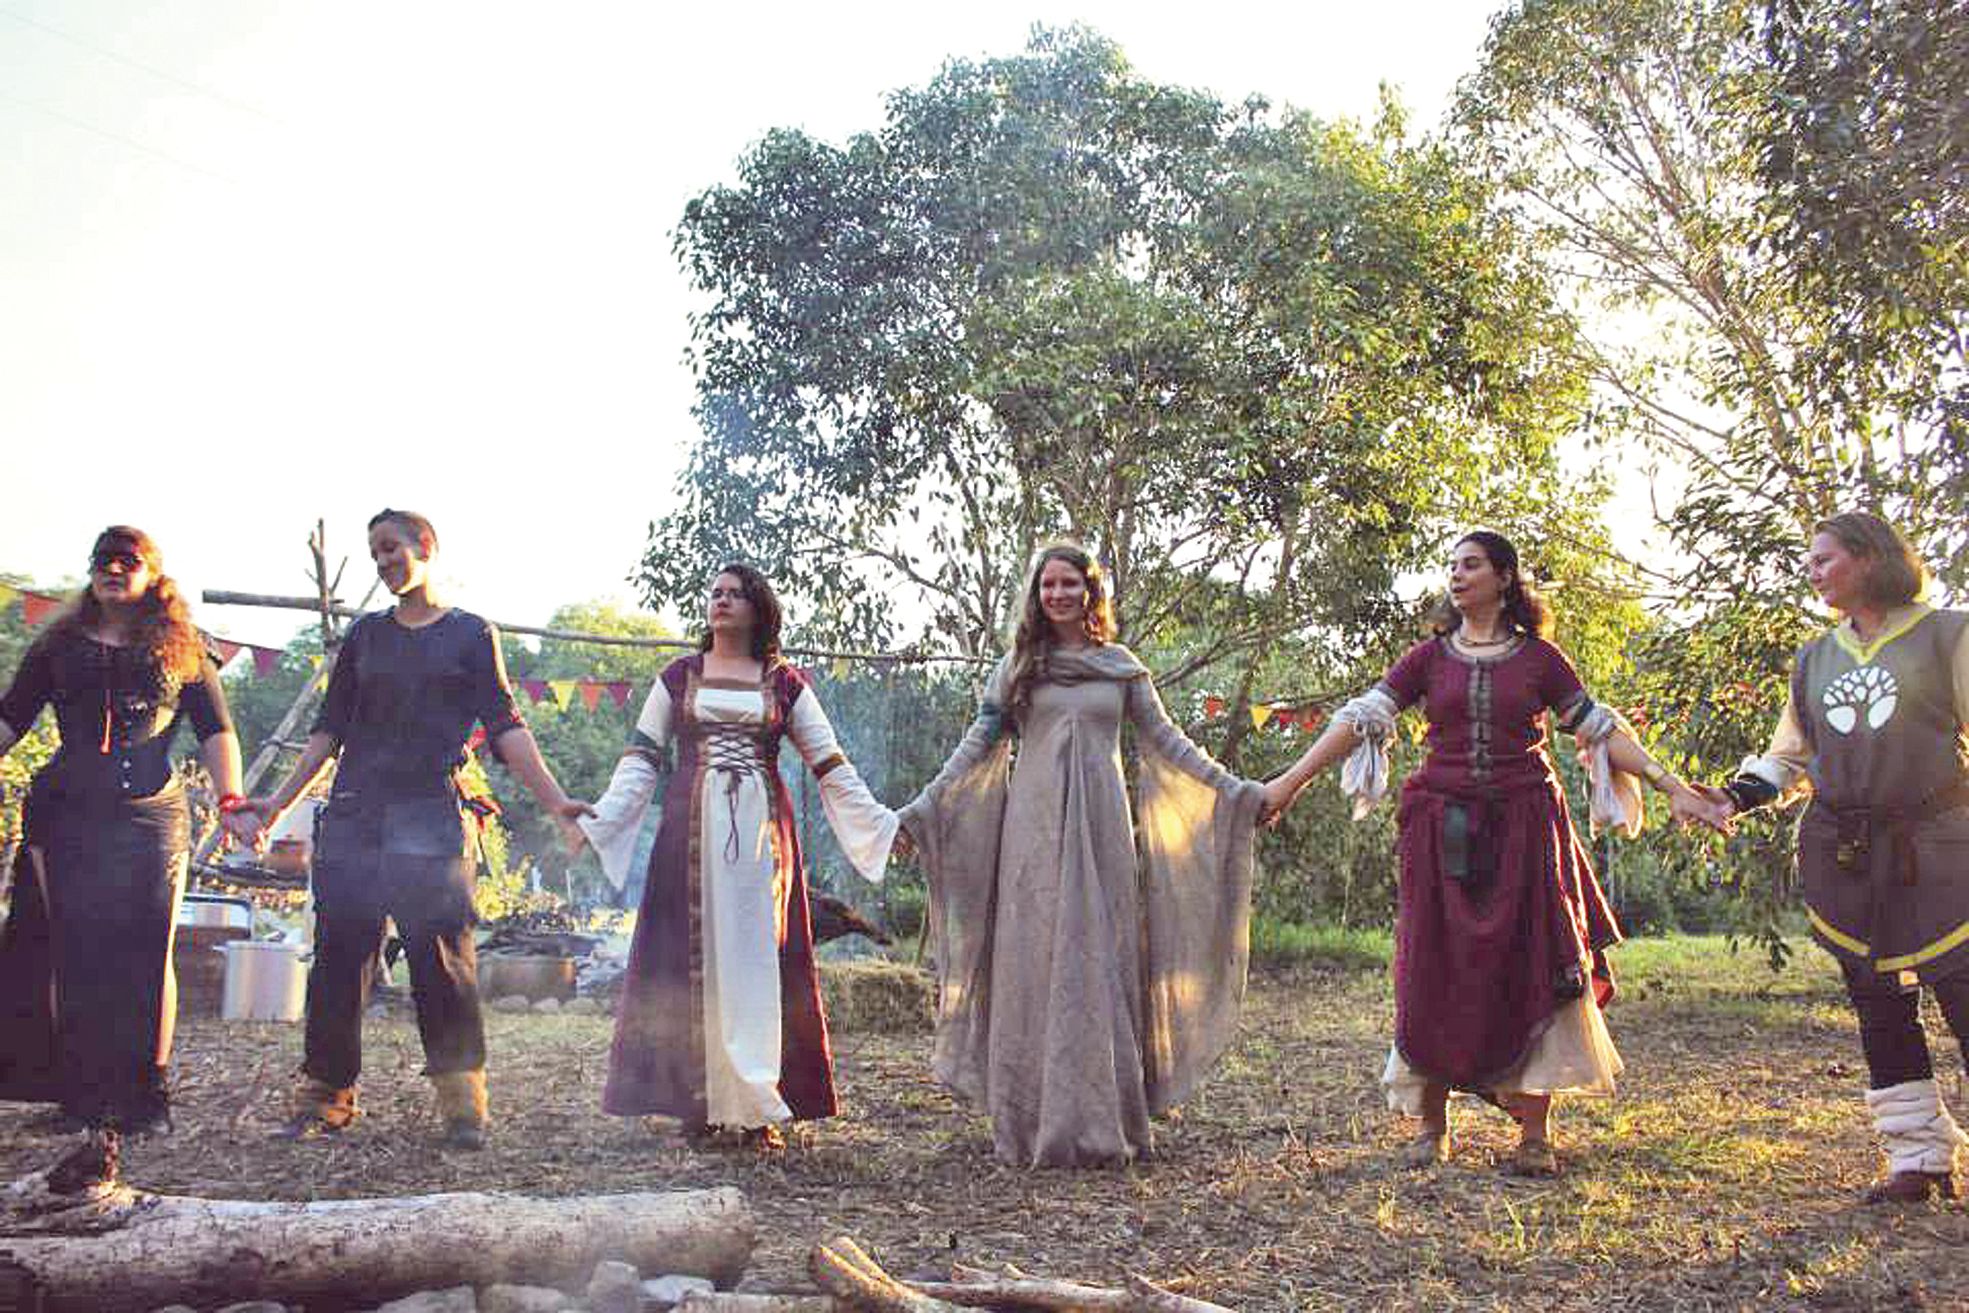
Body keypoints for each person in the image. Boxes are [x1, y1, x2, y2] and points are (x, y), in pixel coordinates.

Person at [1266, 530, 1709, 1175]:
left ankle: (1535, 1136)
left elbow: (1600, 731)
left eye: (1471, 564)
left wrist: (1672, 787)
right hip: (1438, 831)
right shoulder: (1427, 658)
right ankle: (1431, 1129)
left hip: (1525, 830)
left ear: (1505, 578)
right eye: (1451, 565)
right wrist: (1285, 786)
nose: (1456, 575)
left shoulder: (1541, 661)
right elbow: (1362, 718)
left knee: (1534, 963)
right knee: (1433, 967)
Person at [899, 543, 1290, 1167]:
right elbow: (975, 747)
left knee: (1099, 957)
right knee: (1036, 961)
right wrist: (923, 807)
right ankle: (1031, 1123)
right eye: (1047, 585)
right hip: (1032, 833)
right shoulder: (1019, 667)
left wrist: (1234, 792)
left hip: (1104, 830)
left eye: (1069, 584)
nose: (1057, 595)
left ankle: (1103, 1118)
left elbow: (1168, 741)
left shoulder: (1121, 668)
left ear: (1091, 592)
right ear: (1036, 595)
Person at [241, 510, 591, 1150]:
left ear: (426, 548)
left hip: (430, 818)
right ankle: (326, 1095)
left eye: (390, 548)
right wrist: (277, 801)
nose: (382, 562)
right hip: (355, 813)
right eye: (374, 553)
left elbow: (508, 728)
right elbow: (329, 729)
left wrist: (558, 801)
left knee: (442, 961)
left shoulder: (469, 634)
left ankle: (463, 1105)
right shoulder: (365, 637)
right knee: (339, 958)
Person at [572, 563, 897, 1149]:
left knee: (755, 966)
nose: (721, 601)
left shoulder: (785, 683)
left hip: (760, 842)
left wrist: (881, 825)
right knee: (689, 964)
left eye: (735, 594)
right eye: (715, 593)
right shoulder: (678, 677)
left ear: (757, 608)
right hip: (688, 836)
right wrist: (602, 820)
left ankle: (754, 1105)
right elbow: (642, 758)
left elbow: (829, 763)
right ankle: (697, 1105)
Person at [1696, 511, 1968, 1204]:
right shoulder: (1815, 657)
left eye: (1823, 558)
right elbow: (1790, 754)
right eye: (1809, 560)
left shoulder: (1948, 635)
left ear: (1870, 558)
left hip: (1940, 848)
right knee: (1879, 1004)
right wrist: (1734, 796)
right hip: (1850, 854)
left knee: (1965, 998)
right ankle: (1917, 1157)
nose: (1812, 571)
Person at [0, 527, 255, 1182]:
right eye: (102, 560)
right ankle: (78, 1090)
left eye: (128, 560)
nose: (114, 569)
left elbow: (217, 730)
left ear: (152, 573)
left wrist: (231, 799)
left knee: (149, 950)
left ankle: (148, 1092)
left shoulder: (181, 645)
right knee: (69, 947)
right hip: (66, 810)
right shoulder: (57, 643)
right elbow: (11, 718)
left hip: (151, 813)